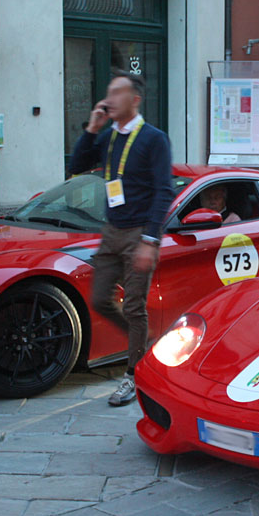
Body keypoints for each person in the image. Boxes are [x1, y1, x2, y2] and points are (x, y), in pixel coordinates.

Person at [68, 71, 174, 406]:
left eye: (117, 93)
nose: (109, 99)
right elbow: (77, 165)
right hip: (112, 231)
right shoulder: (108, 137)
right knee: (99, 299)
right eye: (108, 92)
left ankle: (134, 373)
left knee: (133, 305)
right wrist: (92, 129)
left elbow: (163, 191)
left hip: (138, 233)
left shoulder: (154, 139)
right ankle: (141, 341)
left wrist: (150, 240)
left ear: (135, 100)